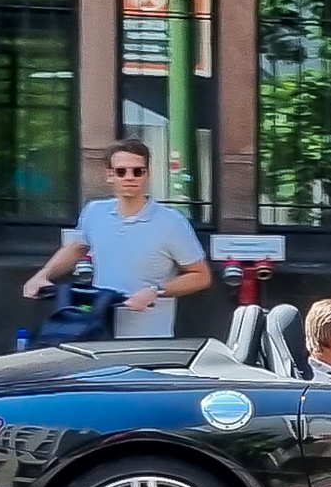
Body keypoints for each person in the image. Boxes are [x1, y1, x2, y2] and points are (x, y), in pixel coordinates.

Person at [21, 139, 212, 339]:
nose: (130, 177)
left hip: (148, 339)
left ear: (147, 174)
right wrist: (43, 275)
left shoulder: (171, 221)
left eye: (137, 171)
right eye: (122, 171)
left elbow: (201, 276)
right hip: (97, 332)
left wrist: (155, 291)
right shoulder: (95, 212)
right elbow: (77, 248)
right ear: (110, 175)